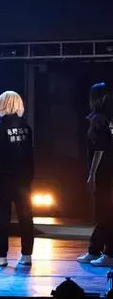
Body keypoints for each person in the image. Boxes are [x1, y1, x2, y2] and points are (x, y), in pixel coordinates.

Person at [0, 91, 34, 267]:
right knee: (26, 218)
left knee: (3, 219)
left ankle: (0, 256)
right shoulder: (27, 128)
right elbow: (29, 156)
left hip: (4, 180)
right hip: (23, 181)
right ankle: (26, 255)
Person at [77, 83, 113, 267]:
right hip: (108, 172)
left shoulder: (100, 120)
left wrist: (92, 175)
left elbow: (100, 149)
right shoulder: (106, 119)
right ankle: (95, 249)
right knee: (105, 213)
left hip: (104, 173)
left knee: (105, 214)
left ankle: (108, 253)